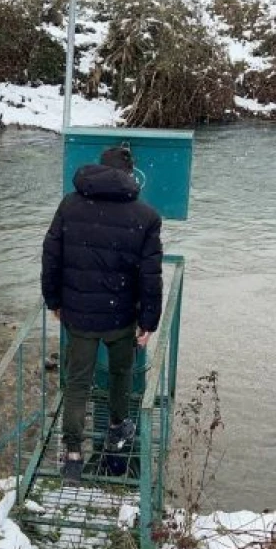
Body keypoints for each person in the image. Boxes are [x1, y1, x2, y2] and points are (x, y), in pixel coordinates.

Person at [41, 146, 163, 484]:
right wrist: (149, 321)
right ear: (130, 175)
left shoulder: (70, 205)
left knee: (78, 382)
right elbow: (150, 277)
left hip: (79, 316)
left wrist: (53, 300)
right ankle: (116, 427)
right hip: (121, 317)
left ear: (99, 169)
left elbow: (50, 254)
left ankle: (73, 454)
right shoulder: (146, 216)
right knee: (121, 374)